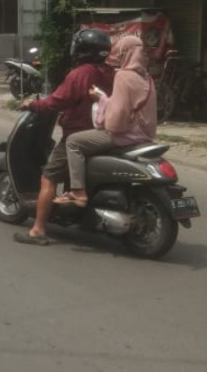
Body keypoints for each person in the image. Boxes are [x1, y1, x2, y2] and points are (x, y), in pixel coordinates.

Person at [13, 28, 115, 246]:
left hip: (77, 134)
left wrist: (33, 104)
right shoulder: (110, 72)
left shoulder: (80, 73)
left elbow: (56, 102)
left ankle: (38, 230)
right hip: (104, 132)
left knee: (48, 178)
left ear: (81, 50)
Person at [55, 36, 157, 207]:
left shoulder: (124, 76)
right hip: (145, 135)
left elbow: (117, 121)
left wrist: (100, 102)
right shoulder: (147, 77)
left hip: (127, 134)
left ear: (125, 53)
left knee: (73, 142)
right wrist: (103, 98)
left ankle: (78, 192)